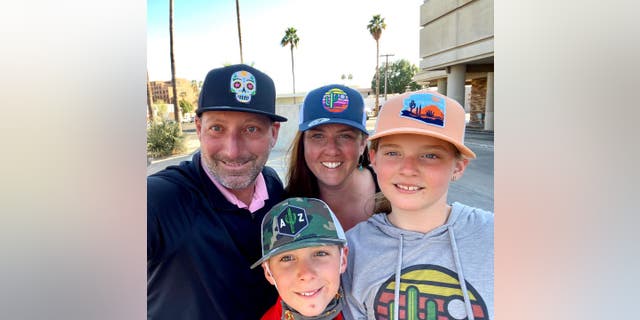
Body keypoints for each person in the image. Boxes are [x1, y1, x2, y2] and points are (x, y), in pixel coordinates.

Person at [147, 64, 288, 320]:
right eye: (217, 128)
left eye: (251, 129)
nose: (232, 151)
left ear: (273, 134)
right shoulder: (162, 199)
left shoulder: (272, 185)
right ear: (199, 128)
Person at [342, 90, 494, 320]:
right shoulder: (354, 249)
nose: (408, 169)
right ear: (373, 158)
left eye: (430, 156)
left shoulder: (495, 235)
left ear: (459, 167)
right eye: (393, 152)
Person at [285, 84, 380, 231]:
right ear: (303, 143)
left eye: (345, 136)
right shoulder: (286, 205)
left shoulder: (391, 192)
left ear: (362, 143)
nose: (331, 150)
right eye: (318, 136)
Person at [251, 197, 349, 320]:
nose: (307, 274)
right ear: (268, 272)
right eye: (287, 258)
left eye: (320, 253)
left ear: (343, 259)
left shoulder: (365, 306)